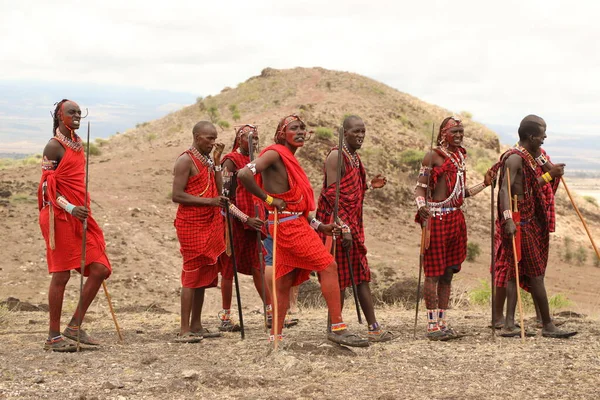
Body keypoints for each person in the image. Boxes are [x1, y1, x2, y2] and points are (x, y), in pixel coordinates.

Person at [237, 114, 369, 347]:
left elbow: (297, 208)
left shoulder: (288, 158)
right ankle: (337, 327)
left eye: (303, 129)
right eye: (294, 128)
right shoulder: (274, 153)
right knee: (329, 266)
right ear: (281, 133)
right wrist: (269, 199)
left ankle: (275, 338)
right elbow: (244, 174)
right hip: (287, 227)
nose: (300, 132)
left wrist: (320, 226)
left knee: (284, 282)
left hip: (290, 222)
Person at [492, 115, 577, 338]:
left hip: (528, 218)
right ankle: (548, 325)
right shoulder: (514, 158)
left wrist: (552, 169)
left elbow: (545, 166)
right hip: (519, 220)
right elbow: (504, 190)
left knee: (515, 272)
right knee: (535, 274)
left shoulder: (530, 156)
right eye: (542, 134)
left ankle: (510, 324)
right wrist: (508, 219)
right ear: (531, 137)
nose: (545, 137)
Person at [38, 99, 112, 352]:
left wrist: (78, 209)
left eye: (80, 112)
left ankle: (74, 326)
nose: (77, 115)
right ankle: (53, 337)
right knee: (62, 274)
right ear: (59, 115)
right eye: (72, 112)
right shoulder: (53, 146)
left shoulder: (78, 144)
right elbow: (47, 190)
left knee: (100, 268)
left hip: (79, 215)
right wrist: (70, 208)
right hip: (57, 216)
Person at [414, 116, 494, 340]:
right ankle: (432, 327)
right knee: (433, 273)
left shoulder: (460, 156)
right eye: (454, 132)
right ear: (443, 134)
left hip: (456, 220)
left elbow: (463, 193)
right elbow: (419, 190)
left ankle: (443, 322)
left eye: (461, 131)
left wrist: (485, 184)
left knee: (448, 273)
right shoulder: (433, 156)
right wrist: (422, 208)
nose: (459, 135)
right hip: (436, 220)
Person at [316, 115, 393, 342]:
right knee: (337, 276)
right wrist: (344, 227)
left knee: (361, 275)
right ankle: (335, 328)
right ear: (344, 132)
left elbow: (351, 192)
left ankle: (374, 328)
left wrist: (369, 185)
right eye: (355, 132)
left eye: (362, 132)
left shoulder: (354, 157)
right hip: (337, 225)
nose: (360, 136)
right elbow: (332, 196)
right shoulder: (336, 156)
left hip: (353, 224)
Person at [172, 121, 226, 342]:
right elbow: (177, 195)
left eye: (214, 138)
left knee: (203, 274)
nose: (213, 143)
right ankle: (184, 329)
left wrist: (217, 163)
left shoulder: (207, 161)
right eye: (208, 139)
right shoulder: (185, 160)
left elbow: (220, 190)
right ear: (196, 137)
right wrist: (210, 201)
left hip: (208, 223)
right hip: (191, 224)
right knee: (192, 275)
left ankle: (197, 325)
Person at [217, 124, 269, 332]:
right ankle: (225, 317)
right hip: (233, 224)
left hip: (254, 223)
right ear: (239, 140)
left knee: (259, 265)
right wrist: (245, 218)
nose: (254, 142)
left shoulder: (257, 161)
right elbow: (225, 198)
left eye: (256, 138)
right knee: (228, 270)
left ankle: (271, 313)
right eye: (250, 138)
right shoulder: (230, 161)